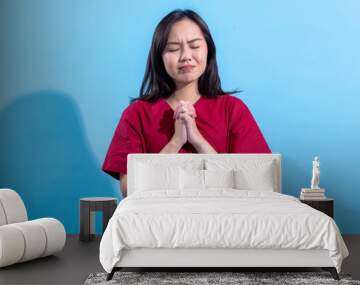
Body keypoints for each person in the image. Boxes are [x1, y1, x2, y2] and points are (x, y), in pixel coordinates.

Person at [101, 9, 271, 197]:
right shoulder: (136, 114)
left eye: (194, 46)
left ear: (208, 49)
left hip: (223, 218)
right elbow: (129, 189)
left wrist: (197, 140)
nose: (186, 56)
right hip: (157, 218)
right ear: (159, 57)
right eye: (173, 48)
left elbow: (253, 185)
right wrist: (176, 141)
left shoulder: (233, 109)